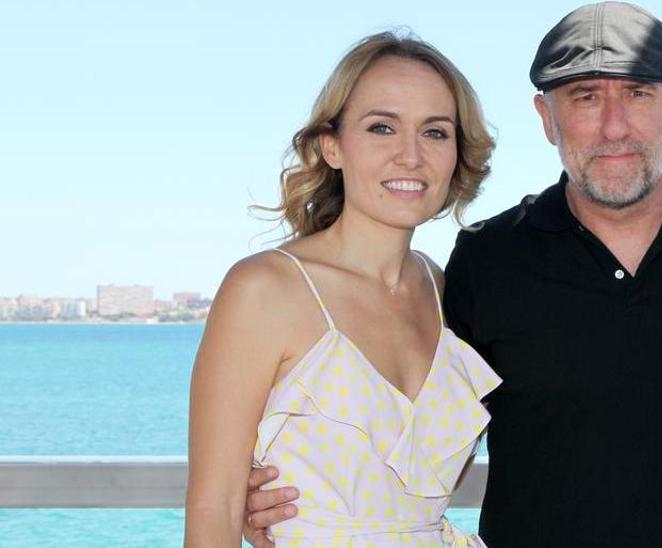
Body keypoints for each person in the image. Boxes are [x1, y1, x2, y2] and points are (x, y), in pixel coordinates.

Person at [244, 2, 662, 547]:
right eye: (585, 97)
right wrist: (287, 495)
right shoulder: (487, 258)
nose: (614, 126)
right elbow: (415, 431)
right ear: (546, 118)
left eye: (638, 94)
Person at [185, 31, 498, 547]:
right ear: (332, 145)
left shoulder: (443, 291)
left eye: (436, 133)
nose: (411, 156)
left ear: (456, 154)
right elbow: (212, 512)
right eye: (381, 128)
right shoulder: (265, 290)